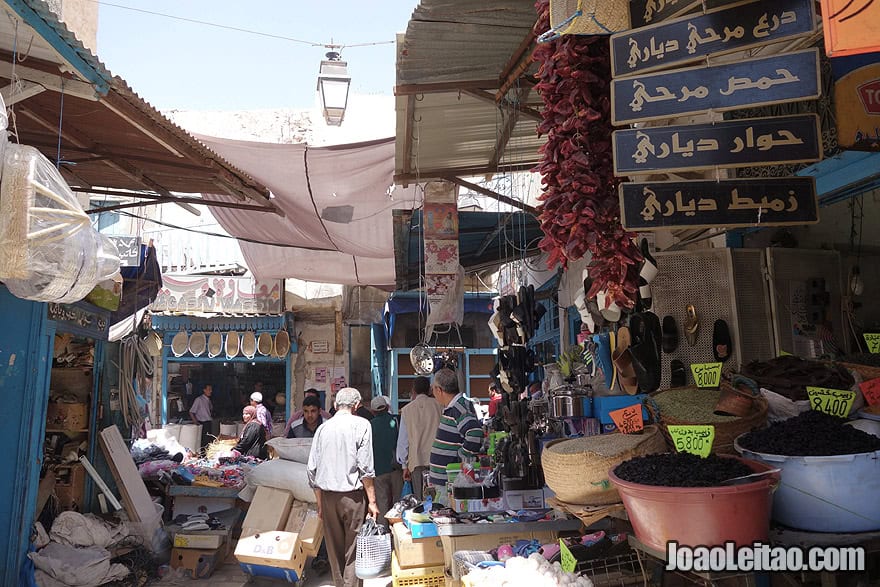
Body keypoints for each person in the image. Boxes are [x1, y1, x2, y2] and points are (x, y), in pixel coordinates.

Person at [307, 387, 379, 587]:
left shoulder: (323, 428)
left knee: (334, 550)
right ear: (356, 406)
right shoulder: (362, 424)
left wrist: (320, 503)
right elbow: (366, 468)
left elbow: (311, 469)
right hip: (353, 497)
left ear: (335, 405)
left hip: (328, 497)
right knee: (353, 550)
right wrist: (372, 501)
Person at [428, 368, 485, 489]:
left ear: (439, 390)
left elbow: (475, 434)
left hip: (450, 480)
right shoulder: (453, 408)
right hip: (445, 480)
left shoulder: (459, 408)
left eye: (433, 388)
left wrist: (460, 458)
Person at [396, 376, 443, 501]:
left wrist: (404, 466)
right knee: (439, 498)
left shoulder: (406, 410)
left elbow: (403, 441)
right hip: (437, 459)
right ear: (429, 390)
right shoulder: (440, 406)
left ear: (413, 390)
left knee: (421, 499)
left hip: (416, 461)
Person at [369, 395, 402, 528]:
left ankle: (383, 532)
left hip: (378, 470)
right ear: (387, 408)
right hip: (396, 468)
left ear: (373, 411)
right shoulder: (396, 421)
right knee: (398, 502)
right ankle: (398, 530)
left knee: (382, 503)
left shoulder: (370, 425)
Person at [189, 384, 214, 449]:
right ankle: (202, 456)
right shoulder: (199, 399)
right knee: (203, 441)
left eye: (211, 389)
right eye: (209, 390)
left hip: (208, 423)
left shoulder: (208, 400)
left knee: (208, 441)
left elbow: (210, 410)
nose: (211, 391)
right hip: (202, 423)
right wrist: (196, 422)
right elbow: (191, 412)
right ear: (204, 390)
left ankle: (206, 455)